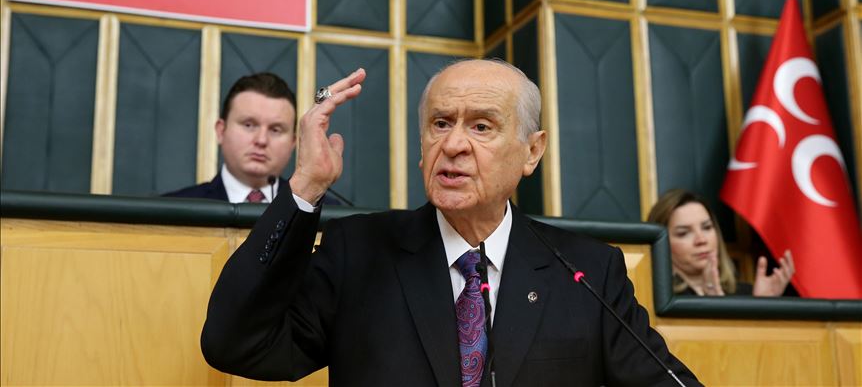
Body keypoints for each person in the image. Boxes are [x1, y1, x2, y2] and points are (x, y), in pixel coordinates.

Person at [200, 60, 701, 386]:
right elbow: (235, 344)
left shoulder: (588, 272)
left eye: (481, 126)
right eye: (440, 124)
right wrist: (306, 185)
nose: (454, 144)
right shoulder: (360, 253)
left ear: (532, 151)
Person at [164, 73, 340, 205]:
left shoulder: (326, 213)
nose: (261, 140)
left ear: (293, 143)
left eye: (275, 129)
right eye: (249, 125)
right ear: (221, 131)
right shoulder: (173, 209)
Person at [647, 189, 795, 297]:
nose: (701, 240)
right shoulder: (652, 299)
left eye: (707, 227)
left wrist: (762, 306)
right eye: (683, 233)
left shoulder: (746, 294)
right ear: (660, 244)